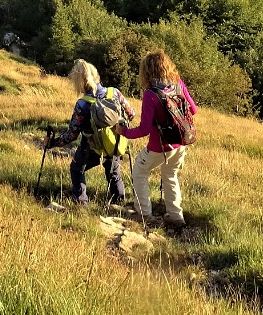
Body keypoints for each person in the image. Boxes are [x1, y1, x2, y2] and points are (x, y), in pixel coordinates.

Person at [121, 50, 197, 228]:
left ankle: (144, 214)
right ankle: (176, 217)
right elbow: (193, 110)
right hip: (181, 143)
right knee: (170, 176)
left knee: (139, 172)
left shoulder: (151, 94)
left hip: (159, 147)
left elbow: (144, 129)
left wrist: (123, 131)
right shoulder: (178, 84)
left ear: (147, 71)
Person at [44, 59, 135, 207]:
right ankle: (118, 204)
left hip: (91, 147)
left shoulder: (82, 104)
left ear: (80, 82)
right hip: (115, 143)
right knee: (113, 171)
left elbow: (71, 135)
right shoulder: (115, 93)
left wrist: (52, 143)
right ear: (97, 76)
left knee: (76, 168)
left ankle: (81, 203)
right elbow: (132, 114)